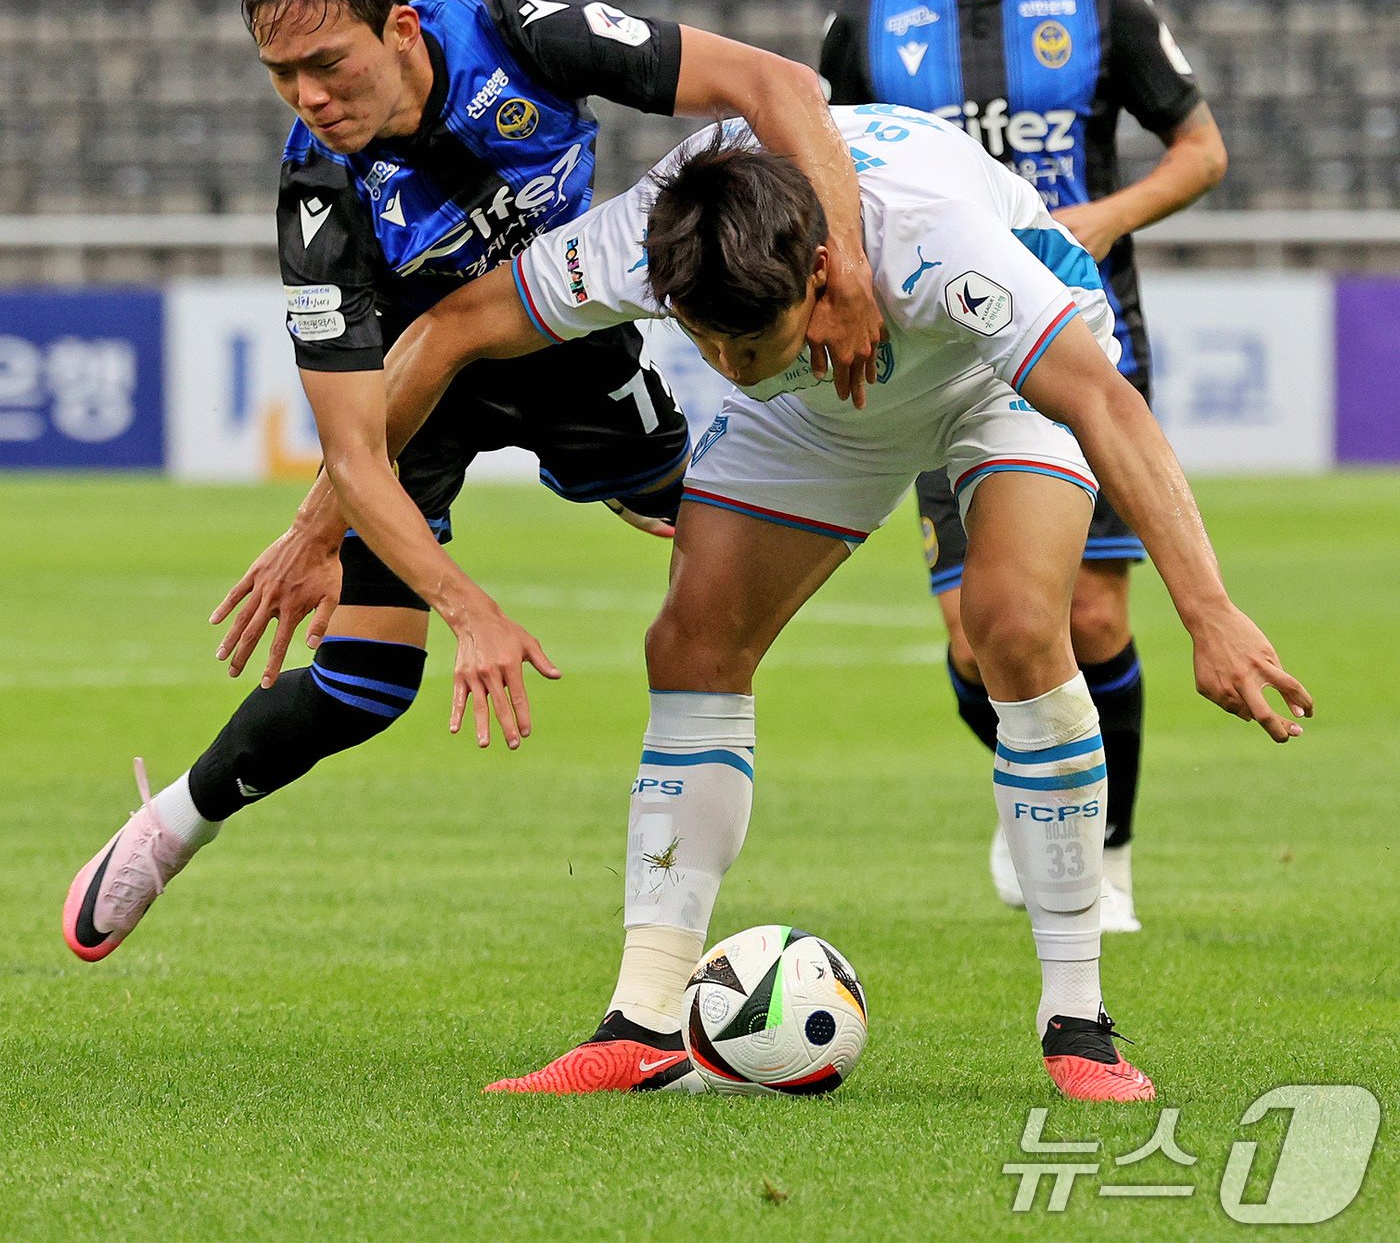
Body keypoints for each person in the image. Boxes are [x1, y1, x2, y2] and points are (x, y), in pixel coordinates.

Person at [190, 102, 1307, 1101]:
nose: (724, 365)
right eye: (703, 342)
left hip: (988, 379)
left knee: (1012, 625)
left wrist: (1207, 611)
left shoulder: (935, 245)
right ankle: (641, 1022)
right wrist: (318, 525)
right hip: (818, 407)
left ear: (823, 273)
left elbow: (1106, 407)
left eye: (746, 341)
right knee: (687, 643)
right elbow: (447, 332)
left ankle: (1077, 1021)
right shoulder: (653, 232)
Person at [63, 0, 882, 967]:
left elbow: (776, 84)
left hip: (569, 346)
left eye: (328, 63)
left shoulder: (519, 35)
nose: (308, 97)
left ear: (399, 29)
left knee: (707, 527)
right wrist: (462, 606)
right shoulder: (319, 198)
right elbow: (356, 451)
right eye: (281, 75)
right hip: (421, 394)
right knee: (361, 687)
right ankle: (169, 828)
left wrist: (847, 264)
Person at [820, 0, 1230, 932]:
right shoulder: (864, 27)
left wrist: (1105, 217)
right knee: (975, 639)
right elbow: (825, 167)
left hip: (1081, 336)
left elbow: (1199, 150)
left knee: (1089, 618)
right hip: (942, 355)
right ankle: (1029, 783)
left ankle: (1105, 855)